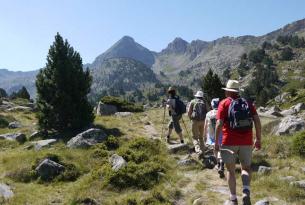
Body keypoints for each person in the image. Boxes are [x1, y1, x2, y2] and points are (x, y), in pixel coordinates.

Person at [214, 80, 261, 205]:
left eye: (226, 90)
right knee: (246, 168)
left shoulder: (224, 103)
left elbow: (219, 124)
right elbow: (257, 120)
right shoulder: (248, 103)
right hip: (246, 141)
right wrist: (258, 139)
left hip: (228, 141)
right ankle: (246, 191)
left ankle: (233, 199)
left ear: (229, 91)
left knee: (230, 170)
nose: (224, 92)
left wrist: (216, 143)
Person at [204, 98, 225, 178]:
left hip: (212, 135)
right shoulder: (221, 112)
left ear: (212, 105)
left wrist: (204, 135)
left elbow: (205, 126)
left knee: (215, 149)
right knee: (221, 149)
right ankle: (221, 162)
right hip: (221, 134)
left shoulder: (208, 114)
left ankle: (218, 163)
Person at [187, 91, 208, 156]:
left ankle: (198, 150)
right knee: (201, 137)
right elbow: (208, 110)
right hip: (203, 121)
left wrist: (190, 118)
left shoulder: (193, 101)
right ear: (202, 96)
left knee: (195, 137)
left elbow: (189, 112)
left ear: (196, 96)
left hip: (195, 121)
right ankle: (203, 151)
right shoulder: (204, 102)